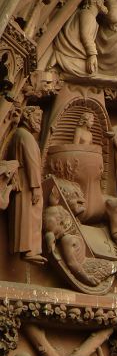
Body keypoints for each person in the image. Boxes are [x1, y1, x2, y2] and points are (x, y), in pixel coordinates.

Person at [8, 106, 46, 265]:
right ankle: (29, 250)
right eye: (36, 117)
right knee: (30, 215)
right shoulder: (26, 136)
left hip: (23, 180)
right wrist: (36, 186)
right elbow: (32, 163)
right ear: (27, 117)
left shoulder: (19, 134)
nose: (39, 121)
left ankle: (28, 250)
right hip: (28, 181)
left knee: (24, 215)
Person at [50, 0, 107, 76]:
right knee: (91, 72)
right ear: (93, 0)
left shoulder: (86, 14)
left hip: (73, 51)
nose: (103, 1)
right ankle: (59, 58)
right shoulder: (88, 14)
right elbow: (86, 36)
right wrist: (92, 54)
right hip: (69, 51)